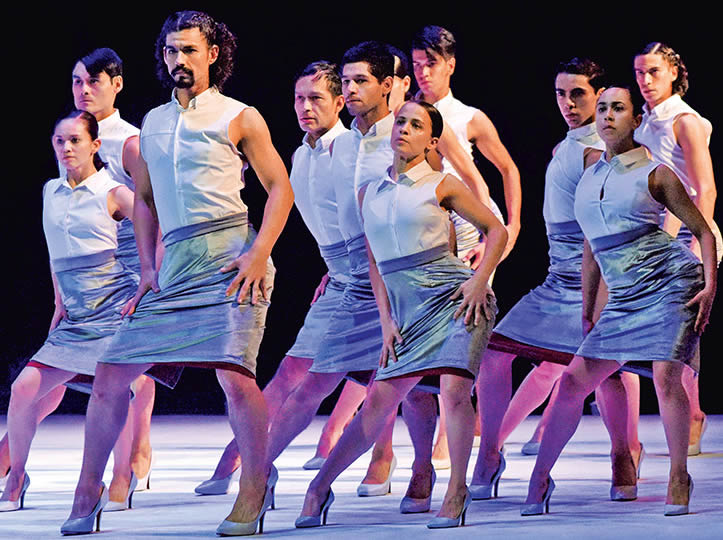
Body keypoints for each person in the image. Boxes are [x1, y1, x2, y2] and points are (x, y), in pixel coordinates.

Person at [61, 11, 293, 536]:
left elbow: (280, 187)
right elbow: (144, 199)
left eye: (189, 49)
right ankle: (87, 489)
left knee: (234, 376)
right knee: (110, 373)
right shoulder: (154, 122)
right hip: (175, 265)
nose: (179, 60)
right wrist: (147, 268)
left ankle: (255, 483)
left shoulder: (240, 116)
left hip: (231, 258)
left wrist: (259, 252)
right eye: (171, 50)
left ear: (213, 54)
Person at [296, 99, 506, 530]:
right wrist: (387, 321)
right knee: (377, 404)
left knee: (453, 391)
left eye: (416, 125)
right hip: (406, 314)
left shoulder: (442, 184)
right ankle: (319, 486)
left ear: (432, 141)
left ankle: (457, 490)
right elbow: (375, 264)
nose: (404, 129)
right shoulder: (369, 193)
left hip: (455, 301)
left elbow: (496, 230)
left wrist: (479, 280)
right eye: (401, 122)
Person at [523, 86, 716, 517]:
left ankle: (679, 475)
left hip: (670, 283)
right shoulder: (589, 176)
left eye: (618, 109)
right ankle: (540, 476)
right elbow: (591, 248)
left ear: (635, 120)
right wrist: (588, 309)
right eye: (603, 108)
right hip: (623, 296)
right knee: (572, 382)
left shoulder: (656, 172)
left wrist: (709, 287)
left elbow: (703, 231)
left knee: (666, 376)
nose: (608, 115)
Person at [193, 60, 371, 493]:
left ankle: (252, 469)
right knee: (294, 372)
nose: (305, 107)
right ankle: (241, 464)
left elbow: (374, 214)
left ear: (340, 102)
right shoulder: (300, 154)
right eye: (299, 98)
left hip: (372, 277)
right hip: (340, 276)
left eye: (316, 98)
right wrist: (333, 267)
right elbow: (327, 220)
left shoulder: (353, 148)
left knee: (383, 385)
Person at [471, 59, 643, 501]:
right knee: (494, 353)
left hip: (592, 277)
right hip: (557, 278)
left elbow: (604, 229)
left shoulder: (596, 151)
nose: (567, 103)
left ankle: (622, 457)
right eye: (560, 94)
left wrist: (601, 296)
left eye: (578, 94)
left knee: (605, 371)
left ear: (600, 96)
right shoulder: (572, 145)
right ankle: (489, 453)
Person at [1, 47, 159, 511]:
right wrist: (59, 299)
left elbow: (153, 208)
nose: (84, 89)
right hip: (81, 279)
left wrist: (151, 272)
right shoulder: (67, 150)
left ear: (116, 84)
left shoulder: (129, 142)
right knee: (43, 387)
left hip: (125, 273)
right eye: (77, 81)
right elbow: (62, 229)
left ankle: (128, 467)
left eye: (93, 81)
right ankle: (16, 466)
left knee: (128, 380)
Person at [633, 42, 721, 456]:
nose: (645, 79)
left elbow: (705, 189)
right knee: (658, 331)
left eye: (653, 71)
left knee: (680, 329)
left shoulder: (684, 120)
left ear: (673, 71)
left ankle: (694, 414)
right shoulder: (644, 120)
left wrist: (695, 248)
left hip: (685, 235)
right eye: (639, 72)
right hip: (651, 235)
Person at [411, 25, 520, 263]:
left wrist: (513, 226)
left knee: (468, 287)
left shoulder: (468, 117)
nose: (423, 72)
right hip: (426, 218)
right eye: (417, 64)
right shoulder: (405, 112)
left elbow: (508, 168)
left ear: (450, 65)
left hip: (469, 217)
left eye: (431, 63)